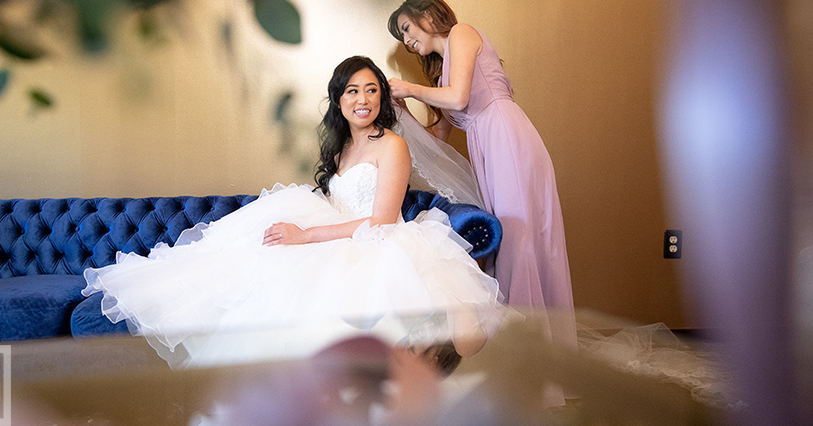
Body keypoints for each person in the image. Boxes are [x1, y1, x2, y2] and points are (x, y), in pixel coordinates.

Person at [82, 56, 508, 371]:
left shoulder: (391, 145)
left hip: (378, 243)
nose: (363, 99)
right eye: (352, 91)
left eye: (372, 89)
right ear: (338, 100)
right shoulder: (342, 148)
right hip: (339, 232)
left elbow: (380, 222)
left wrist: (305, 235)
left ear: (382, 96)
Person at [387, 0, 575, 349]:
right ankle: (530, 346)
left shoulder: (462, 33)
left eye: (407, 29)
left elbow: (459, 99)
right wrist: (403, 112)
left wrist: (411, 89)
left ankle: (534, 352)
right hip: (487, 145)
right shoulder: (442, 75)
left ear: (427, 12)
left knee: (521, 239)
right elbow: (438, 138)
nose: (408, 41)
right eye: (403, 38)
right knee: (513, 241)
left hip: (505, 135)